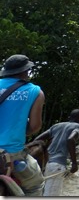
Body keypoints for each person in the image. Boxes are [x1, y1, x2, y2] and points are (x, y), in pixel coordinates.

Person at [0, 54, 45, 196]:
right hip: (11, 154)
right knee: (36, 185)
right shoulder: (35, 92)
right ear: (26, 71)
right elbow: (34, 127)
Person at [34, 109, 79, 196]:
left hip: (44, 164)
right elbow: (70, 139)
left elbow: (37, 140)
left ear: (69, 117)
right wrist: (74, 163)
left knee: (43, 191)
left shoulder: (56, 126)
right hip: (57, 165)